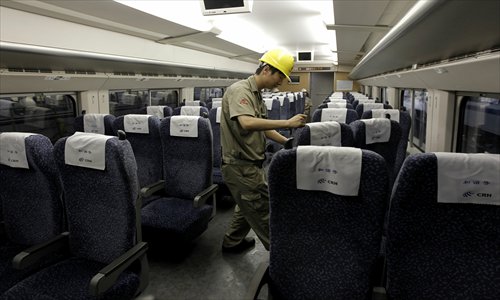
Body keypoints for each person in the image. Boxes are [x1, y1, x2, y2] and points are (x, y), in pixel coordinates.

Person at [220, 48, 307, 252]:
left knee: (248, 205)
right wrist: (288, 122)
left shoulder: (257, 95)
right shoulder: (240, 90)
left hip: (251, 165)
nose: (281, 82)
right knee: (263, 211)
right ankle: (286, 259)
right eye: (280, 76)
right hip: (240, 166)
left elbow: (266, 128)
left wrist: (287, 142)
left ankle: (232, 242)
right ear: (266, 69)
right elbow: (247, 123)